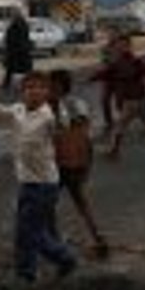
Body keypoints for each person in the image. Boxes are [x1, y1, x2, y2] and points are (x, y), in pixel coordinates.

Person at [0, 70, 78, 288]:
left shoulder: (49, 114)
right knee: (29, 229)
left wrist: (56, 108)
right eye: (29, 87)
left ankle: (59, 260)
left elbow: (61, 129)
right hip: (26, 181)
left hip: (45, 184)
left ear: (47, 92)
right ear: (22, 92)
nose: (34, 91)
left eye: (40, 87)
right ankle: (31, 268)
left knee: (29, 230)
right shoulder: (18, 111)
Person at [48, 69, 109, 258]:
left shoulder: (70, 105)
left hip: (67, 162)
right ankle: (96, 237)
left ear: (59, 86)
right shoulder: (56, 105)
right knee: (75, 201)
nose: (49, 89)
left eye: (52, 85)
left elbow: (80, 135)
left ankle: (59, 241)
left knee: (54, 202)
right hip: (64, 162)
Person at [90, 33, 145, 159]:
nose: (121, 47)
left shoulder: (133, 61)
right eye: (119, 45)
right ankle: (114, 151)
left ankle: (113, 151)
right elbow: (105, 73)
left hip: (134, 100)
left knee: (120, 127)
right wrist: (91, 78)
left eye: (124, 45)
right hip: (135, 99)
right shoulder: (123, 61)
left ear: (129, 46)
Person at [3, 12, 33, 93]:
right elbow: (24, 39)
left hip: (16, 54)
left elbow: (8, 41)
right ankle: (24, 86)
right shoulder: (23, 27)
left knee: (11, 71)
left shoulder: (12, 28)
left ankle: (8, 87)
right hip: (21, 54)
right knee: (23, 71)